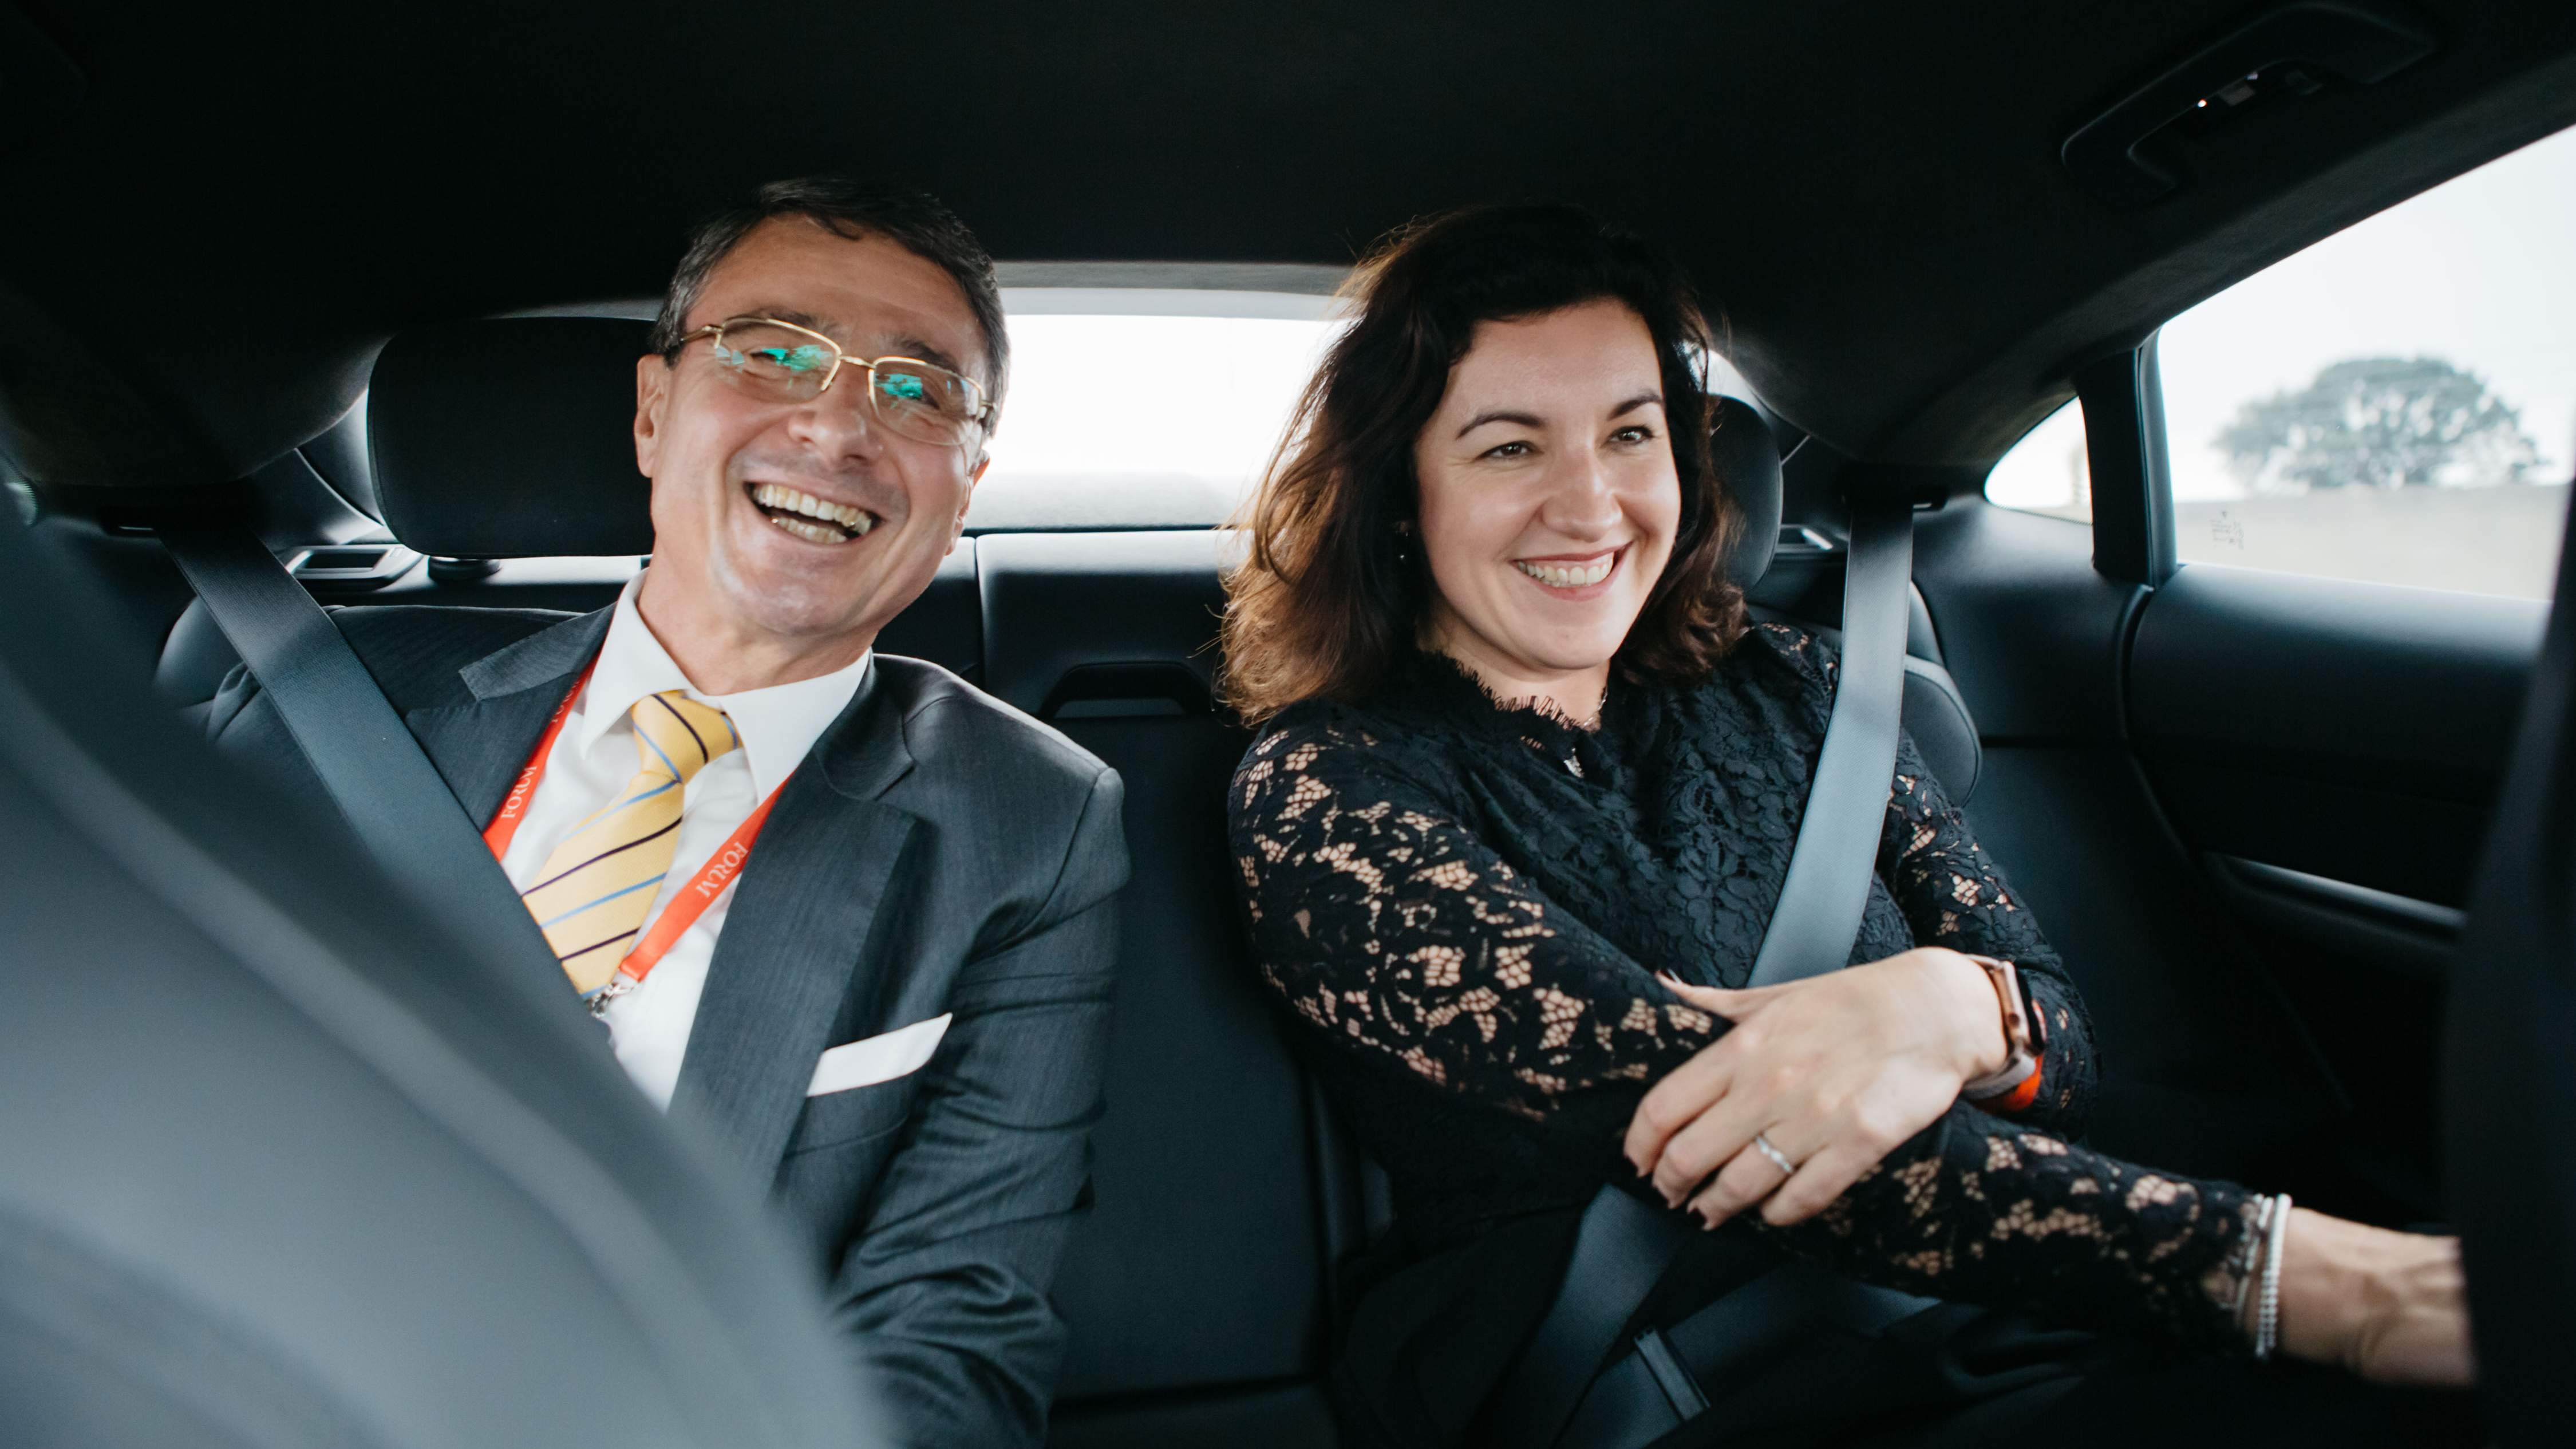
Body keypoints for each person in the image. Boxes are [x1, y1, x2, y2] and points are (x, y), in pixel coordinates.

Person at [1220, 202, 2473, 1447]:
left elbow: (2065, 1040)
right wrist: (2322, 1289)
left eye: (1631, 433)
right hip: (1711, 1379)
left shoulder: (1799, 685)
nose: (1591, 502)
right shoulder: (1325, 795)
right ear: (1397, 495)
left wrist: (1949, 1005)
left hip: (2015, 1320)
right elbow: (1734, 1126)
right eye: (1509, 450)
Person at [204, 179, 1125, 1448]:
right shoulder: (314, 699)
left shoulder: (1028, 825)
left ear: (966, 480)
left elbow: (950, 1325)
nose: (838, 424)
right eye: (773, 352)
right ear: (653, 412)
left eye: (919, 391)